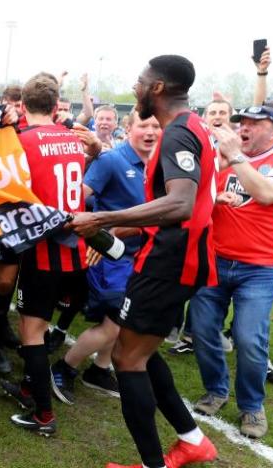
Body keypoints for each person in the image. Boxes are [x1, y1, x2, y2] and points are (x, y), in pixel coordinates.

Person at [70, 55, 218, 468]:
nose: (134, 88)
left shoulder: (177, 134)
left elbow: (181, 204)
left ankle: (154, 464)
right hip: (176, 257)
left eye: (140, 81)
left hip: (170, 264)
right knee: (144, 352)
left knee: (127, 358)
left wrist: (102, 217)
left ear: (157, 88)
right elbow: (187, 203)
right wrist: (127, 229)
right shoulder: (191, 127)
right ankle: (191, 440)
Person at [0, 73, 88, 436]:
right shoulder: (74, 140)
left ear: (22, 106)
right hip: (75, 249)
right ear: (56, 106)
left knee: (30, 331)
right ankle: (27, 386)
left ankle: (43, 415)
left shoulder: (21, 142)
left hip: (42, 249)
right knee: (40, 325)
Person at [51, 110, 161, 405]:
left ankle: (99, 370)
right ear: (128, 128)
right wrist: (95, 232)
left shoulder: (159, 165)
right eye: (143, 125)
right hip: (108, 256)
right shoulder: (112, 160)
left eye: (156, 126)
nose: (150, 131)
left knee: (124, 323)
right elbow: (77, 196)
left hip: (139, 256)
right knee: (114, 323)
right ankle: (64, 367)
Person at [192, 107, 273, 438]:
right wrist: (213, 197)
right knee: (202, 330)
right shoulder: (224, 157)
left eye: (254, 124)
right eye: (242, 122)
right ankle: (216, 389)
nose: (243, 128)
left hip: (259, 268)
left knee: (249, 339)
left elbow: (266, 193)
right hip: (214, 259)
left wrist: (234, 157)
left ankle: (251, 406)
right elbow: (196, 192)